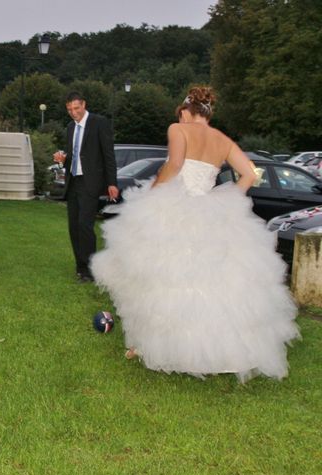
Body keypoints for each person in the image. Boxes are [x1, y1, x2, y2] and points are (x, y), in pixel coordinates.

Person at [89, 86, 300, 382]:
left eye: (181, 115)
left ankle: (161, 345)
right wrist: (225, 200)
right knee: (215, 283)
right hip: (210, 210)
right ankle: (219, 351)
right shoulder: (223, 140)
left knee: (163, 278)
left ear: (186, 111)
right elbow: (250, 174)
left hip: (177, 206)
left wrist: (154, 190)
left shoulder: (178, 129)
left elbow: (174, 165)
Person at [53, 92, 118, 282]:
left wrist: (112, 182)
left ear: (84, 105)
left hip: (91, 183)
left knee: (85, 225)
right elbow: (73, 158)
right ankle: (80, 267)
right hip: (73, 182)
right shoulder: (70, 128)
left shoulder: (99, 123)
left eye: (76, 108)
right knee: (74, 226)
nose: (73, 113)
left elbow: (109, 155)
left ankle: (90, 270)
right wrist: (63, 160)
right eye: (69, 110)